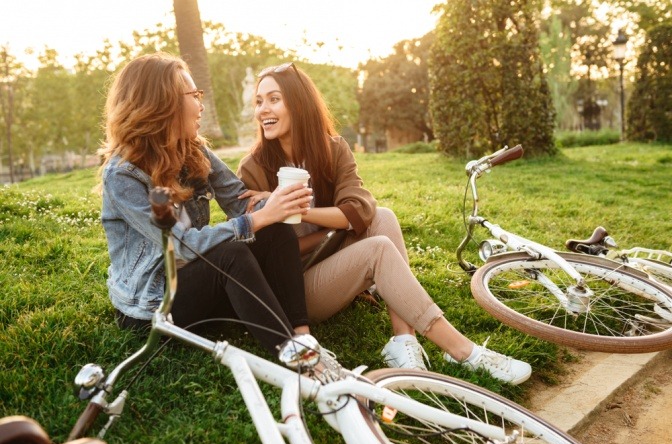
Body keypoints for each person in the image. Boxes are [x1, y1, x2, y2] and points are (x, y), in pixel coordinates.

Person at [237, 62, 532, 385]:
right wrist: (328, 225)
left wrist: (301, 211)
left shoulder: (332, 149)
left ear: (299, 103)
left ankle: (403, 341)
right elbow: (261, 254)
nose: (263, 109)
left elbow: (361, 208)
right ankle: (464, 351)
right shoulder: (253, 168)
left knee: (383, 217)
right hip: (295, 288)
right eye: (259, 101)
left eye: (273, 99)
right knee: (376, 248)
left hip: (329, 255)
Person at [97, 53, 342, 375]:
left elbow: (240, 201)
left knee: (275, 230)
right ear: (164, 102)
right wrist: (258, 218)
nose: (201, 105)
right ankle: (300, 363)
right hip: (155, 304)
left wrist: (275, 202)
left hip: (200, 283)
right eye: (194, 96)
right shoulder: (123, 175)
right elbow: (181, 245)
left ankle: (303, 337)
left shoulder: (192, 149)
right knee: (231, 253)